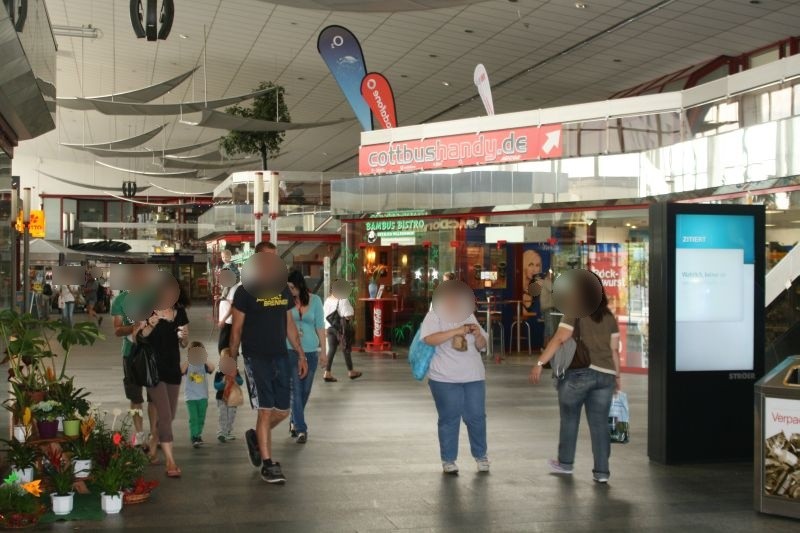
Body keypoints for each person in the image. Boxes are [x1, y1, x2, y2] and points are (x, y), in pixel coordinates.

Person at [229, 240, 308, 484]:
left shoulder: (282, 290)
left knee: (283, 411)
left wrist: (301, 353)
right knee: (265, 409)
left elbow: (289, 324)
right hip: (255, 357)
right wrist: (231, 362)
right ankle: (268, 464)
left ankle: (255, 436)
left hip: (280, 356)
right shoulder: (244, 292)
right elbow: (236, 329)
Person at [529, 275, 621, 484]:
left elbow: (559, 338)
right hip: (606, 375)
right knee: (600, 425)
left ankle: (566, 464)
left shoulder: (574, 313)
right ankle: (601, 472)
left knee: (570, 420)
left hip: (579, 374)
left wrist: (540, 363)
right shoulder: (608, 316)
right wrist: (617, 376)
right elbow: (614, 351)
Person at [421, 288, 489, 475]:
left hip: (474, 375)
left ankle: (481, 455)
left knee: (476, 417)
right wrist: (456, 331)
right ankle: (448, 459)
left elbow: (483, 345)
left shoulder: (469, 316)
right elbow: (428, 339)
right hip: (444, 377)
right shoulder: (434, 316)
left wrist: (477, 336)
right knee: (450, 418)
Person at [136, 288, 190, 478]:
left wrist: (184, 338)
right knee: (166, 417)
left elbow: (184, 342)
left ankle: (153, 442)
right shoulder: (148, 310)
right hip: (154, 370)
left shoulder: (179, 312)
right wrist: (150, 325)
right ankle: (170, 461)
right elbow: (139, 337)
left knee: (170, 414)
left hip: (172, 369)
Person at [111, 288, 157, 450]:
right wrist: (134, 327)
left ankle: (154, 434)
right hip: (130, 353)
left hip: (153, 352)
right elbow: (117, 329)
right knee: (135, 397)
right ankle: (139, 434)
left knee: (154, 397)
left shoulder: (153, 296)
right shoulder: (120, 300)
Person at [286, 270, 327, 444]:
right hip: (290, 349)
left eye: (292, 287)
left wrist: (324, 351)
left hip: (311, 350)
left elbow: (320, 327)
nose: (290, 291)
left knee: (305, 390)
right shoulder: (285, 301)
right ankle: (301, 429)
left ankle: (294, 421)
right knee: (295, 389)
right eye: (287, 288)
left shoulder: (316, 300)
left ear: (300, 285)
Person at [322, 285, 362, 382]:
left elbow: (324, 315)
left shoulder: (327, 300)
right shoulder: (343, 299)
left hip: (329, 327)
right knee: (345, 348)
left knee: (332, 349)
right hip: (340, 328)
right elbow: (348, 314)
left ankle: (327, 372)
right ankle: (351, 371)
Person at [181, 341, 215, 448]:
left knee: (201, 417)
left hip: (203, 397)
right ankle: (194, 436)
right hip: (190, 397)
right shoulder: (188, 365)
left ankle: (198, 434)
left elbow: (212, 368)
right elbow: (181, 370)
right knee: (194, 417)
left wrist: (204, 358)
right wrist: (189, 359)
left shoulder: (203, 365)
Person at [214, 348, 244, 443]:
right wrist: (222, 382)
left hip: (233, 398)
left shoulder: (235, 371)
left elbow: (241, 382)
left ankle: (228, 431)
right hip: (221, 397)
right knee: (223, 415)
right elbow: (216, 386)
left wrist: (235, 377)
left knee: (231, 415)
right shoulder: (219, 373)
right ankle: (221, 433)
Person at [217, 271, 241, 354]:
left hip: (229, 321)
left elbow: (233, 306)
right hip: (227, 321)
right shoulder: (228, 287)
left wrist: (223, 319)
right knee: (225, 345)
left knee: (224, 346)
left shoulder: (234, 288)